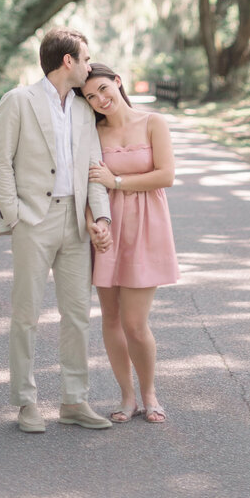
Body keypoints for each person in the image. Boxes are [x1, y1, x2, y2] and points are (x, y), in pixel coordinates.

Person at [0, 27, 114, 434]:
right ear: (68, 61)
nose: (90, 65)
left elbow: (94, 168)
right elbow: (0, 162)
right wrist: (15, 215)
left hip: (76, 223)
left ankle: (74, 401)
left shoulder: (82, 109)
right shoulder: (18, 101)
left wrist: (101, 218)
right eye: (86, 57)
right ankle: (26, 402)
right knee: (26, 315)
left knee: (77, 315)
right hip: (34, 220)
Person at [82, 62, 179, 424]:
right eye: (90, 97)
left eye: (103, 89)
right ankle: (127, 398)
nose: (99, 99)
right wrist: (93, 225)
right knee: (110, 318)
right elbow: (88, 186)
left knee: (135, 323)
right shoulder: (93, 133)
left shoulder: (153, 122)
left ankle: (150, 392)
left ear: (117, 82)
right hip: (108, 227)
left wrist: (117, 180)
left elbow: (165, 175)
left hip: (147, 227)